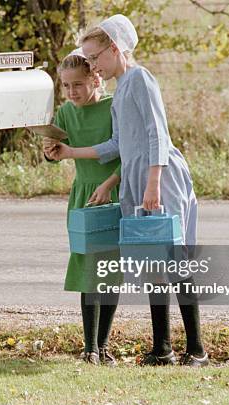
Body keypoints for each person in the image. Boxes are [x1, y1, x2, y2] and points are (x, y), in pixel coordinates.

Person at [46, 15, 208, 367]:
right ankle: (162, 348)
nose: (93, 66)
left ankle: (196, 349)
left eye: (95, 59)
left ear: (115, 49)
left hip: (160, 179)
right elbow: (118, 145)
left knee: (175, 260)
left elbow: (156, 134)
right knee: (152, 264)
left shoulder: (140, 79)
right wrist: (92, 169)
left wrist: (153, 184)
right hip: (136, 180)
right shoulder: (121, 90)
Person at [43, 49, 121, 366]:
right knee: (89, 269)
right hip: (84, 195)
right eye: (65, 86)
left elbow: (128, 153)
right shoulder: (65, 114)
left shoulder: (114, 107)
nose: (72, 92)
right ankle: (89, 348)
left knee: (111, 272)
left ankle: (103, 345)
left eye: (77, 84)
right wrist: (50, 152)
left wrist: (111, 183)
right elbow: (55, 153)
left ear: (95, 77)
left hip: (113, 192)